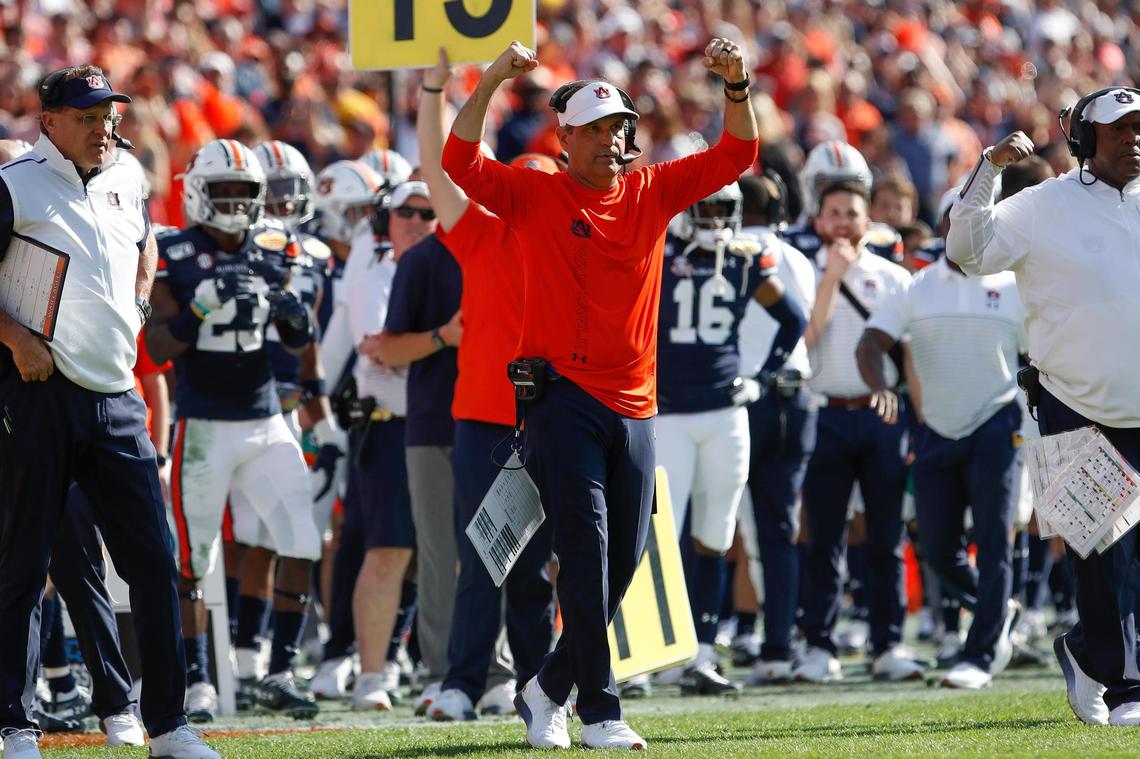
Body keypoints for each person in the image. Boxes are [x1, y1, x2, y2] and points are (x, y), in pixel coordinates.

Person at [441, 37, 758, 750]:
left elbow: (737, 156)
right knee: (585, 551)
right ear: (566, 139)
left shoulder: (652, 189)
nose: (616, 139)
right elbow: (457, 162)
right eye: (600, 127)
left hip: (637, 402)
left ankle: (546, 684)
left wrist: (736, 88)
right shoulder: (534, 193)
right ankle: (599, 709)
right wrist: (491, 77)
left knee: (624, 559)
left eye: (622, 127)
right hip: (560, 397)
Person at [0, 65, 218, 759]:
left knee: (156, 561)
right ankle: (14, 723)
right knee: (25, 564)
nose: (104, 127)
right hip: (37, 394)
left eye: (109, 115)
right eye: (89, 116)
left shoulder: (127, 174)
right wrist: (13, 336)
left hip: (117, 392)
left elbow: (146, 244)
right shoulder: (13, 184)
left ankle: (168, 725)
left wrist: (140, 304)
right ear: (51, 121)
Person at [946, 87, 1140, 726]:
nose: (1134, 139)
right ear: (1083, 139)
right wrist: (988, 171)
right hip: (1067, 401)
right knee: (1098, 555)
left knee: (1131, 558)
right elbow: (966, 254)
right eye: (1119, 130)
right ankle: (1115, 675)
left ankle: (1102, 663)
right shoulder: (1041, 204)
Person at [146, 138, 322, 722]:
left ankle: (279, 670)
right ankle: (198, 679)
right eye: (221, 190)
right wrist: (198, 310)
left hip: (266, 416)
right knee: (195, 558)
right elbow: (158, 344)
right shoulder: (172, 250)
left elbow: (298, 340)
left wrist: (295, 317)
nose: (233, 201)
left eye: (243, 192)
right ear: (198, 193)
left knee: (301, 539)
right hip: (203, 424)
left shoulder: (275, 248)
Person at [402, 49, 553, 723]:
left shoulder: (580, 243)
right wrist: (435, 88)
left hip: (552, 421)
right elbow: (437, 166)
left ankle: (534, 687)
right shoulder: (481, 233)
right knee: (479, 559)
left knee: (530, 571)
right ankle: (463, 681)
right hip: (485, 421)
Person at [856, 218, 1027, 689]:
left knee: (994, 544)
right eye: (960, 224)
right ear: (947, 230)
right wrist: (879, 384)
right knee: (935, 548)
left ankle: (979, 653)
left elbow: (1038, 357)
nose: (969, 235)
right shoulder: (918, 286)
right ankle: (998, 607)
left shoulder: (1015, 285)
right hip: (935, 428)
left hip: (998, 424)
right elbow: (872, 341)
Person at [654, 180, 805, 695]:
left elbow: (794, 320)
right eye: (707, 209)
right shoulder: (660, 253)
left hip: (725, 414)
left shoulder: (743, 261)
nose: (716, 221)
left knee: (716, 536)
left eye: (725, 210)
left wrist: (762, 378)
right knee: (659, 538)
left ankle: (699, 649)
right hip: (668, 413)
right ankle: (649, 653)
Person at [793, 181, 921, 685]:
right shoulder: (805, 272)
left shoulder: (893, 278)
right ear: (819, 220)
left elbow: (909, 355)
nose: (843, 221)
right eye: (834, 213)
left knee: (885, 537)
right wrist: (830, 279)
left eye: (852, 212)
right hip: (824, 412)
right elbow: (804, 340)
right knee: (823, 537)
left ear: (869, 221)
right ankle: (818, 644)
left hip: (880, 413)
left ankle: (888, 642)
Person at [343, 179, 437, 711]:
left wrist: (419, 344)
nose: (420, 221)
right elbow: (383, 351)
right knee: (388, 551)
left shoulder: (452, 267)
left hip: (447, 423)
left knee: (458, 554)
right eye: (408, 212)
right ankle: (370, 674)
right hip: (391, 424)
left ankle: (454, 670)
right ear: (386, 221)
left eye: (429, 213)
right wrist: (445, 338)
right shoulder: (374, 275)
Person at [734, 173, 818, 685]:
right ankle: (778, 644)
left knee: (716, 530)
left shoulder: (733, 254)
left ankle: (702, 641)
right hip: (795, 396)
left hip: (741, 397)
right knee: (779, 530)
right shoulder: (799, 257)